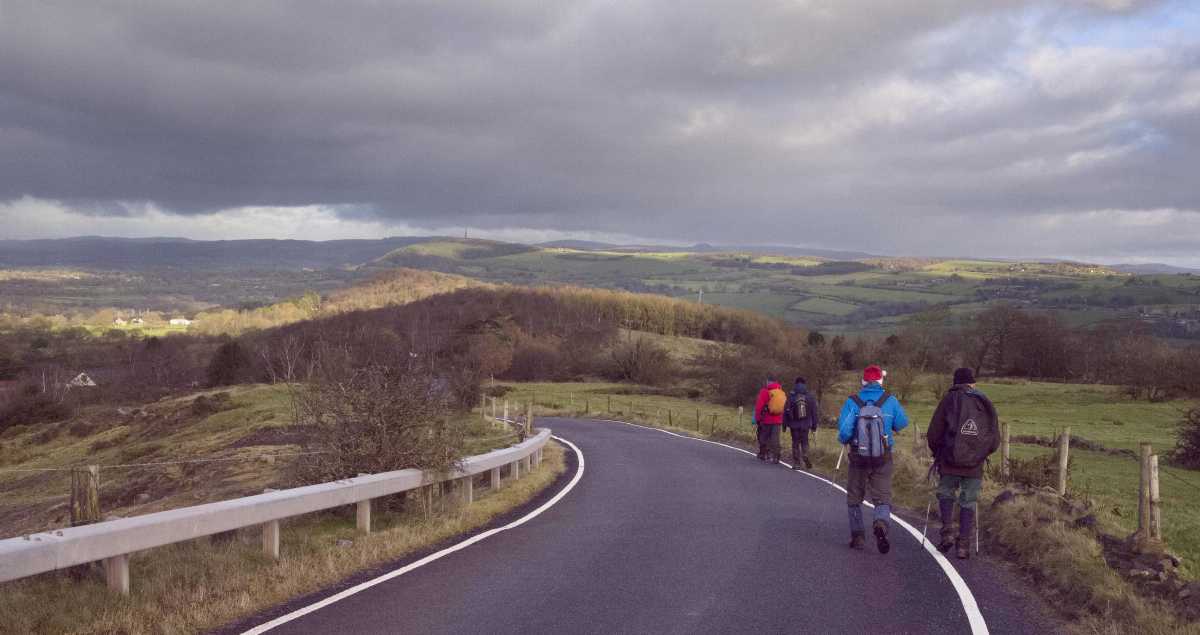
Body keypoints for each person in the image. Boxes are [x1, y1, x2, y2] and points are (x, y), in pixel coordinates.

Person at [926, 367, 999, 559]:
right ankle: (963, 545)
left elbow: (934, 433)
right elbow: (994, 440)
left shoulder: (949, 400)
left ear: (955, 382)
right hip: (974, 464)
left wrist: (938, 452)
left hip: (949, 460)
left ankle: (947, 532)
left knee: (945, 493)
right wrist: (981, 454)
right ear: (972, 383)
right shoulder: (984, 402)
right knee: (969, 500)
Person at [837, 365, 909, 554]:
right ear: (880, 381)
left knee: (854, 496)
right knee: (882, 496)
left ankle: (858, 536)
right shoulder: (890, 401)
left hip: (858, 457)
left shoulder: (852, 402)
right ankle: (881, 524)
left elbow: (844, 431)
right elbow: (902, 423)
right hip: (882, 457)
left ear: (863, 381)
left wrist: (846, 440)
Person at [784, 376, 819, 470]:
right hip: (806, 424)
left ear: (795, 384)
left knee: (795, 443)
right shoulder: (810, 397)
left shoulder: (791, 396)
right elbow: (814, 413)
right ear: (805, 384)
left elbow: (786, 411)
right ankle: (805, 454)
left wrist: (784, 425)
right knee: (805, 441)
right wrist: (814, 426)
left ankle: (797, 463)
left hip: (794, 425)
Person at [752, 378, 786, 463]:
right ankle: (776, 457)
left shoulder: (765, 391)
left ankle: (764, 454)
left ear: (768, 382)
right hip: (778, 420)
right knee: (775, 439)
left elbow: (759, 407)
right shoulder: (781, 391)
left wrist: (757, 419)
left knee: (764, 437)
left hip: (766, 420)